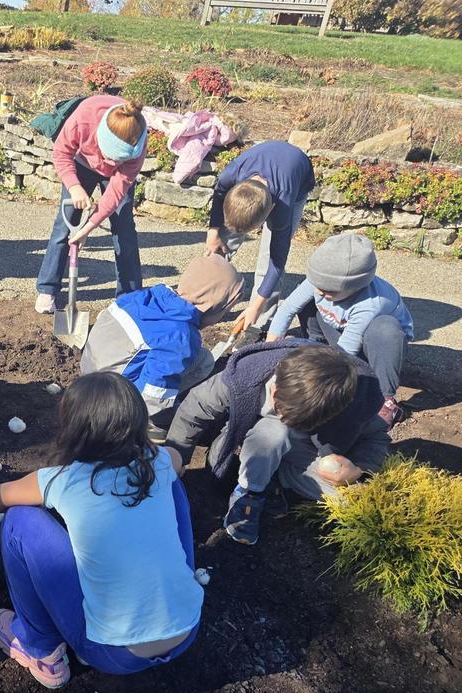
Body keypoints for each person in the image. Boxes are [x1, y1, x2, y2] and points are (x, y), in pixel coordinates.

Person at [0, 372, 203, 689]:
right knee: (172, 486)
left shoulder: (62, 479)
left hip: (112, 653)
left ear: (73, 429)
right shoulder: (158, 460)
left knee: (19, 520)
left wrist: (34, 486)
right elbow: (176, 461)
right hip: (187, 628)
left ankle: (39, 649)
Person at [165, 342, 390, 546]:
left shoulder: (359, 396)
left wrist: (358, 467)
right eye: (282, 410)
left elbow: (377, 436)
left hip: (300, 449)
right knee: (274, 430)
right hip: (251, 440)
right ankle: (248, 493)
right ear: (275, 390)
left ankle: (275, 478)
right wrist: (175, 454)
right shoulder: (244, 376)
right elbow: (194, 410)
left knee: (350, 501)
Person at [81, 252, 243, 439]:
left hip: (89, 376)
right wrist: (167, 416)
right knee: (202, 361)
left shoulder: (147, 296)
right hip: (111, 401)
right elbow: (155, 394)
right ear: (213, 305)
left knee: (201, 358)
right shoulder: (179, 335)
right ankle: (141, 425)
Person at [265, 232, 413, 427]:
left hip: (374, 348)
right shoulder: (321, 282)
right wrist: (268, 352)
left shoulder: (372, 303)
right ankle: (315, 351)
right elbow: (288, 309)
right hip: (339, 332)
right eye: (317, 285)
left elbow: (347, 349)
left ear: (355, 286)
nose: (319, 291)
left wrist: (323, 383)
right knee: (306, 302)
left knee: (385, 329)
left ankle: (384, 399)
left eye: (329, 291)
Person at [35, 95, 147, 315]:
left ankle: (129, 297)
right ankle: (47, 289)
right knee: (64, 225)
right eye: (110, 156)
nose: (111, 163)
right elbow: (61, 153)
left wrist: (88, 228)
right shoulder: (84, 118)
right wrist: (74, 187)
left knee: (124, 228)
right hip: (81, 164)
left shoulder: (138, 140)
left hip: (117, 178)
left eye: (119, 159)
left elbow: (115, 194)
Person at [203, 140, 315, 342]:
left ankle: (258, 324)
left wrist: (256, 305)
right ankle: (205, 300)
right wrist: (213, 232)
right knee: (222, 239)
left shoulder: (283, 206)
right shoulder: (232, 174)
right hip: (266, 161)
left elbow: (276, 262)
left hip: (298, 177)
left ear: (270, 212)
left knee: (267, 257)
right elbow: (219, 194)